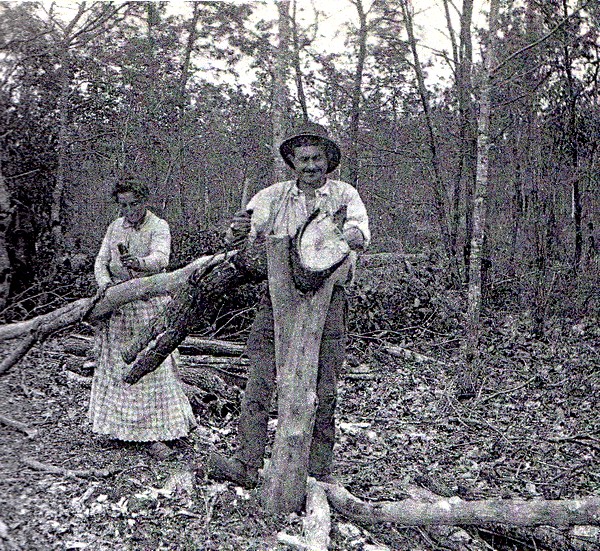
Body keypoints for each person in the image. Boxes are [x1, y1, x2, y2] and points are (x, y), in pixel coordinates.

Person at [208, 122, 370, 487]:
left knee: (324, 386)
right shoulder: (274, 195)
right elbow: (245, 230)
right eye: (303, 160)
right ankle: (247, 461)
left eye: (317, 159)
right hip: (278, 299)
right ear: (292, 163)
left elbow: (361, 232)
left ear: (328, 161)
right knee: (260, 379)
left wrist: (347, 235)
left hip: (329, 299)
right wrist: (237, 231)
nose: (310, 166)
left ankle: (316, 470)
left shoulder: (345, 195)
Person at [90, 178, 196, 459]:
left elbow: (161, 259)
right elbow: (101, 262)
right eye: (123, 205)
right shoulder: (115, 227)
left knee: (152, 367)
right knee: (118, 367)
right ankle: (124, 431)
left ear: (145, 201)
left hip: (148, 305)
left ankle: (158, 434)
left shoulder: (158, 226)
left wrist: (140, 264)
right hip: (120, 306)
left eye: (134, 204)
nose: (129, 210)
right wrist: (106, 286)